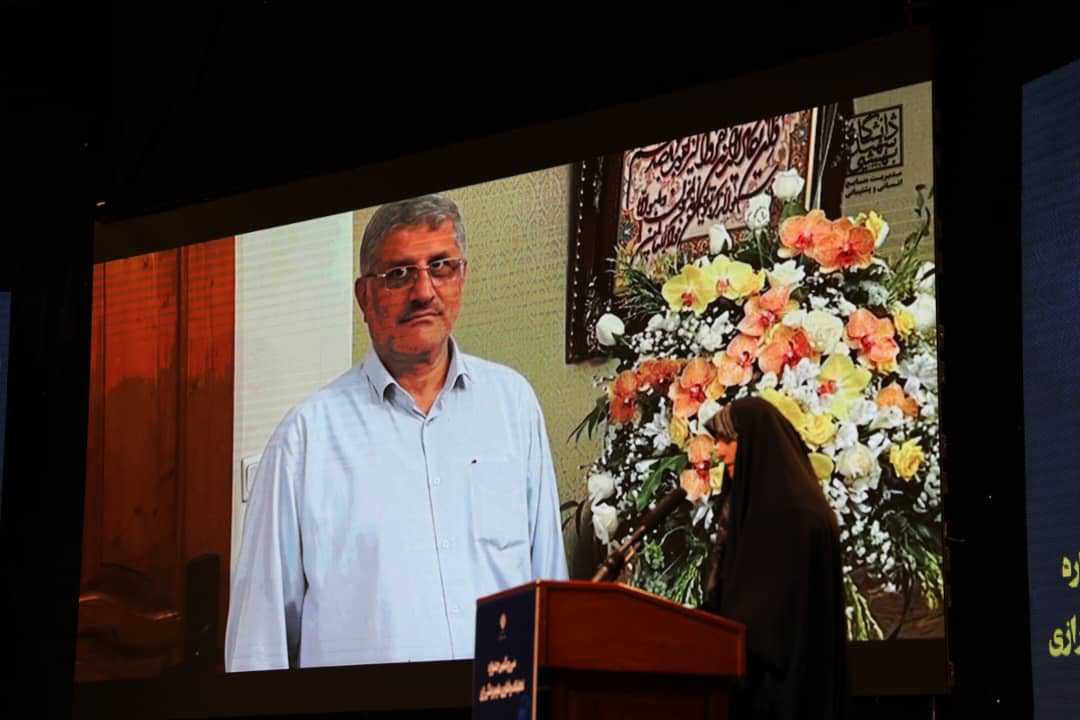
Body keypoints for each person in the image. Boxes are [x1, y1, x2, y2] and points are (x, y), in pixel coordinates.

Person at [225, 194, 568, 672]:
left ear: (461, 277)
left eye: (441, 266)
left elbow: (548, 590)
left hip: (498, 698)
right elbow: (258, 643)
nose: (424, 291)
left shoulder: (513, 406)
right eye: (399, 273)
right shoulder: (305, 440)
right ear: (364, 296)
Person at [702, 397, 850, 720]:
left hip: (781, 697)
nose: (719, 452)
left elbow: (767, 623)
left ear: (757, 443)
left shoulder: (791, 515)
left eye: (728, 440)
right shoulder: (776, 506)